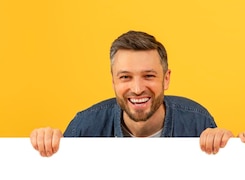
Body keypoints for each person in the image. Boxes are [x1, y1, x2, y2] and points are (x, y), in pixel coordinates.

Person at [30, 30, 224, 157]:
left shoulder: (198, 123)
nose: (138, 88)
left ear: (166, 78)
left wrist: (227, 144)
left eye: (148, 76)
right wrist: (46, 144)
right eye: (125, 77)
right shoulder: (85, 127)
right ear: (113, 80)